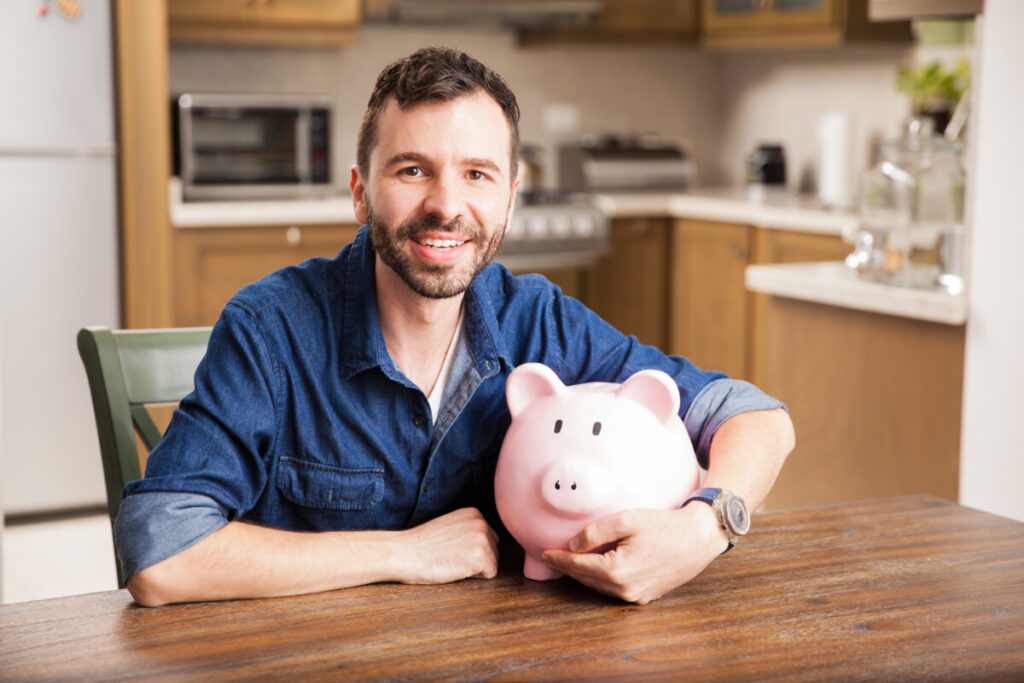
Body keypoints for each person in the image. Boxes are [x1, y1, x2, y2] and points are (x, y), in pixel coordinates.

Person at [116, 47, 794, 607]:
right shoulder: (271, 329)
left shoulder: (539, 321)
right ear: (360, 190)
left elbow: (759, 418)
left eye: (477, 174)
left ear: (509, 198)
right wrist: (402, 553)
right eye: (413, 170)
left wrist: (705, 526)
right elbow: (160, 552)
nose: (446, 205)